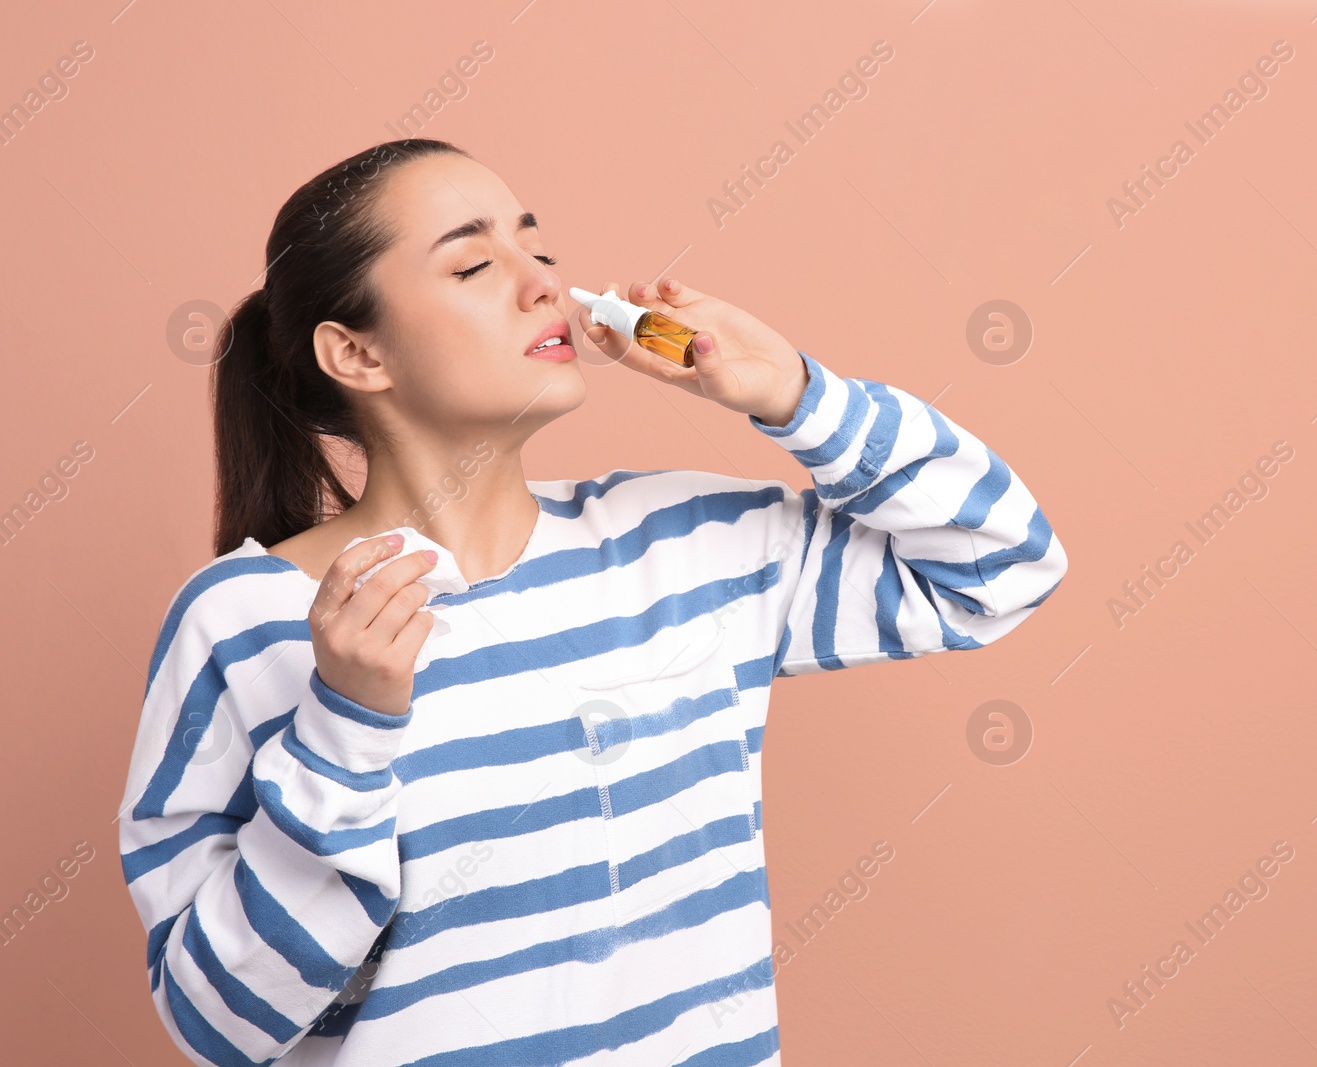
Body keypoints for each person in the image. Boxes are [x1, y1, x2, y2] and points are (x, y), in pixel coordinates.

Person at [118, 137, 1066, 1066]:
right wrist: (345, 729)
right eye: (476, 263)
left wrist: (800, 398)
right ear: (357, 354)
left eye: (540, 249)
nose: (542, 283)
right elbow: (219, 1026)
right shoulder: (243, 621)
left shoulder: (689, 544)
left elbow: (1002, 567)